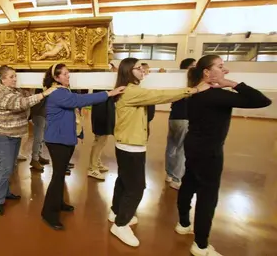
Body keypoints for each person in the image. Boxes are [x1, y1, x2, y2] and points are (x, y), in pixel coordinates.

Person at [109, 57, 210, 247]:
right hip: (131, 146)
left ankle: (116, 211)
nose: (143, 71)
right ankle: (120, 224)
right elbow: (160, 95)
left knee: (124, 180)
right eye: (139, 68)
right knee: (137, 187)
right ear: (129, 71)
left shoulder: (129, 90)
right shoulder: (132, 92)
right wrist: (193, 90)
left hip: (127, 144)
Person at [176, 55, 271, 256]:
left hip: (193, 145)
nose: (225, 70)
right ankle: (200, 245)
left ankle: (183, 223)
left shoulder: (195, 92)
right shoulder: (216, 95)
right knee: (207, 196)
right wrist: (232, 84)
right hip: (209, 152)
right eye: (220, 67)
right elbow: (263, 101)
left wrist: (224, 83)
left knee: (190, 182)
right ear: (207, 73)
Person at [41, 63, 125, 230]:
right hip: (57, 141)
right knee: (57, 177)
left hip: (64, 139)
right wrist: (109, 93)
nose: (68, 76)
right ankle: (48, 213)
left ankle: (58, 203)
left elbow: (73, 111)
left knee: (60, 175)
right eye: (64, 74)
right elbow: (80, 100)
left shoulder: (63, 90)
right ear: (56, 78)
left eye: (68, 73)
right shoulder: (57, 93)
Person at [0, 65, 55, 216]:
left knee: (11, 166)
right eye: (11, 77)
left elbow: (25, 96)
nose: (14, 79)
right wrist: (44, 93)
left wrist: (35, 87)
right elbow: (22, 103)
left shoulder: (14, 90)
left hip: (14, 134)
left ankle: (6, 192)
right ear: (3, 79)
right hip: (2, 136)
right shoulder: (1, 93)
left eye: (15, 76)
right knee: (5, 167)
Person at [164, 58, 196, 190]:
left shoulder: (176, 80)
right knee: (181, 148)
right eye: (193, 66)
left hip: (174, 117)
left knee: (172, 146)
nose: (196, 68)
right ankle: (177, 179)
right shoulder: (191, 82)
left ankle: (169, 174)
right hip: (183, 118)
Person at [29, 89, 50, 172]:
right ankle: (34, 159)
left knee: (41, 138)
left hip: (44, 114)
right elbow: (37, 102)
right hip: (39, 114)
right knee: (38, 137)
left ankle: (38, 156)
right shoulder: (40, 87)